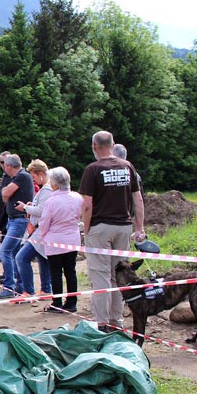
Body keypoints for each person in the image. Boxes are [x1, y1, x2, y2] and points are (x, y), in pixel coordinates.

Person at [80, 130, 146, 331]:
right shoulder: (127, 167)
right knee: (118, 276)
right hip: (123, 227)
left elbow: (87, 205)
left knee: (99, 275)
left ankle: (102, 324)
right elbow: (138, 199)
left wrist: (87, 228)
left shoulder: (93, 169)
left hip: (100, 227)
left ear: (94, 146)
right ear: (112, 143)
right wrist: (140, 227)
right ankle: (117, 321)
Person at [35, 167, 82, 313]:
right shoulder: (78, 197)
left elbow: (44, 222)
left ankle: (57, 302)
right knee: (70, 271)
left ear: (54, 184)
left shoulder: (52, 201)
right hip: (72, 239)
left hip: (54, 240)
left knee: (55, 272)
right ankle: (72, 302)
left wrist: (42, 236)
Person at [0, 154, 34, 298]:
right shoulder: (18, 177)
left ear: (10, 166)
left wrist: (7, 193)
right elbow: (4, 194)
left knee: (5, 251)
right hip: (13, 219)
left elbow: (6, 192)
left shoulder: (22, 176)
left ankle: (9, 287)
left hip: (19, 220)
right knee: (15, 253)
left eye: (5, 165)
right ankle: (19, 286)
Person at [14, 159, 53, 298]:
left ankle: (28, 290)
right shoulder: (45, 189)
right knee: (43, 258)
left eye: (34, 177)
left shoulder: (47, 190)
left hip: (40, 231)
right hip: (39, 230)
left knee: (21, 258)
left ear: (41, 173)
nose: (34, 180)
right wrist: (30, 205)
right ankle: (46, 289)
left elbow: (42, 211)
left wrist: (25, 207)